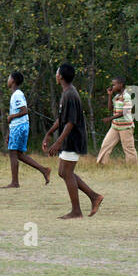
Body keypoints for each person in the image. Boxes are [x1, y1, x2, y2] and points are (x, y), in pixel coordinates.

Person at [42, 63, 102, 219]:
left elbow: (71, 122)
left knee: (66, 172)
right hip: (68, 138)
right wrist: (49, 133)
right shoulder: (66, 93)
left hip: (73, 139)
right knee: (63, 172)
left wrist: (58, 142)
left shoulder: (71, 94)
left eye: (56, 72)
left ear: (60, 76)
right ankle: (94, 196)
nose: (55, 75)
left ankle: (77, 211)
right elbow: (62, 119)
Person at [3, 71, 50, 188]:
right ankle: (44, 170)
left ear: (13, 80)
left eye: (9, 78)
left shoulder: (17, 94)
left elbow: (24, 110)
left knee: (13, 153)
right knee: (19, 154)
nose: (7, 80)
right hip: (17, 126)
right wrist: (9, 132)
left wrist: (11, 117)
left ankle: (15, 182)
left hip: (19, 126)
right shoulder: (15, 94)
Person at [96, 76, 138, 166]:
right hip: (115, 126)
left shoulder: (126, 96)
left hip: (125, 127)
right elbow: (110, 108)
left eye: (114, 84)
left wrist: (110, 118)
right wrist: (110, 95)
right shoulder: (116, 97)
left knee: (128, 148)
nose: (112, 86)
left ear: (121, 85)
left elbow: (125, 112)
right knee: (106, 145)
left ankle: (133, 167)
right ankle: (101, 164)